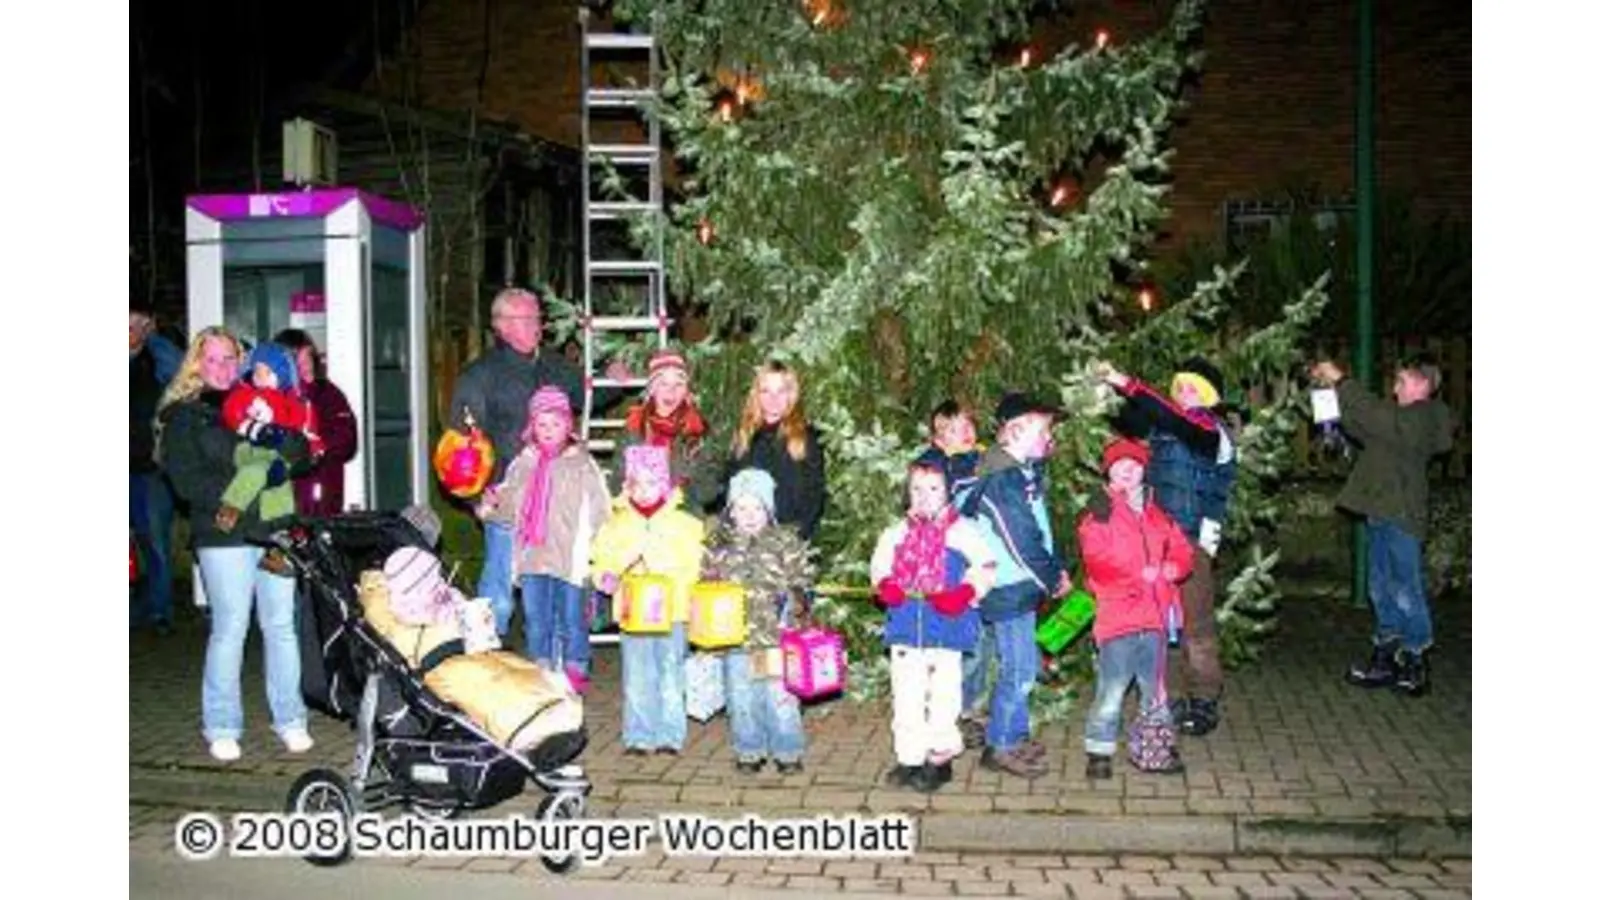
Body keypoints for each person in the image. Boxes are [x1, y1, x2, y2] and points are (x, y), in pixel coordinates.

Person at [158, 326, 316, 762]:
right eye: (212, 359)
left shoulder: (262, 398)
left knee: (281, 626)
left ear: (242, 361)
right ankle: (222, 724)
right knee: (230, 627)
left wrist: (283, 449)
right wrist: (251, 487)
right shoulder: (184, 416)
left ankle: (291, 718)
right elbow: (188, 483)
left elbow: (302, 451)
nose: (222, 367)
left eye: (230, 358)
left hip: (275, 528)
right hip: (223, 534)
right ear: (196, 363)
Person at [449, 286, 627, 636]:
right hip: (507, 501)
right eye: (528, 318)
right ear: (502, 325)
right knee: (499, 593)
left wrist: (614, 379)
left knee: (555, 587)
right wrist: (477, 496)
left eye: (537, 318)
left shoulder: (553, 365)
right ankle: (483, 656)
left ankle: (553, 659)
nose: (538, 325)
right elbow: (460, 446)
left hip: (557, 501)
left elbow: (588, 395)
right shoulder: (479, 377)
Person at [1097, 357, 1236, 737]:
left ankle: (1204, 698)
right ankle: (1167, 696)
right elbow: (1134, 421)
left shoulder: (1210, 432)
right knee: (1161, 621)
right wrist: (1108, 394)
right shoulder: (1165, 426)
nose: (1184, 391)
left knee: (1195, 622)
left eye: (1194, 387)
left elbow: (1174, 421)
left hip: (1191, 541)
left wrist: (1126, 382)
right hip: (1155, 539)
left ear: (1210, 396)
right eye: (1180, 385)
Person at [1310, 358, 1454, 696]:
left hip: (1403, 516)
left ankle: (1416, 657)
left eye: (1402, 381)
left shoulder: (1427, 417)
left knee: (1406, 589)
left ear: (1422, 384)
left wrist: (1342, 380)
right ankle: (1386, 656)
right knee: (1381, 588)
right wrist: (1327, 394)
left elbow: (1377, 416)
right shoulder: (1397, 420)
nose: (1394, 388)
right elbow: (1362, 423)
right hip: (1380, 512)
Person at [958, 392, 1071, 778]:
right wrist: (1052, 578)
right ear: (1016, 430)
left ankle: (1014, 733)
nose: (1050, 438)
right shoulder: (1002, 478)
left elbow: (1038, 529)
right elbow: (1020, 539)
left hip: (1019, 586)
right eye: (1044, 430)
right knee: (1020, 669)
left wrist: (1054, 568)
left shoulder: (1020, 472)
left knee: (1019, 665)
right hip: (1007, 589)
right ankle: (1001, 744)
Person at [870, 450, 997, 792]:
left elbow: (985, 568)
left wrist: (965, 592)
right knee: (907, 696)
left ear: (948, 492)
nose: (924, 496)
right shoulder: (896, 533)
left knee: (943, 697)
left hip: (946, 629)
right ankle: (909, 758)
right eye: (917, 489)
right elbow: (880, 566)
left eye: (933, 489)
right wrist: (885, 585)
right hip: (906, 630)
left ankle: (939, 758)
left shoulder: (963, 533)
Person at [479, 387, 611, 692]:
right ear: (532, 427)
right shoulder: (523, 463)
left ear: (568, 426)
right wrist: (492, 506)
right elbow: (509, 505)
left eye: (556, 423)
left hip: (570, 559)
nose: (549, 430)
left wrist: (600, 550)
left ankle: (575, 670)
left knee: (572, 618)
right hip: (533, 556)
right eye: (542, 424)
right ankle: (542, 669)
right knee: (537, 618)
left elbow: (600, 509)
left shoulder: (582, 465)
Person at [1077, 438, 1193, 779]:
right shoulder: (1099, 511)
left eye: (1135, 465)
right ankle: (1099, 750)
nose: (1128, 471)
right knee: (1112, 689)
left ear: (1144, 471)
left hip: (1154, 618)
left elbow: (1182, 549)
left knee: (1154, 690)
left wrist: (1174, 567)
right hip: (1118, 618)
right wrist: (1136, 574)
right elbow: (1096, 560)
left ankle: (1152, 751)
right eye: (1120, 465)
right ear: (1108, 472)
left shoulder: (1158, 514)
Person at [591, 444, 706, 755]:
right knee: (637, 675)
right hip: (634, 613)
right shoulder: (615, 525)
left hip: (674, 612)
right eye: (636, 484)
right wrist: (606, 576)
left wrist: (665, 568)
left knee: (671, 673)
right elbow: (602, 559)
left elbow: (696, 565)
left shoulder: (686, 525)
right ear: (627, 486)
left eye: (652, 483)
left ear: (665, 485)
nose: (643, 491)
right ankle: (639, 735)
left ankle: (670, 734)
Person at [702, 469, 817, 775]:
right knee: (741, 698)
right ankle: (749, 749)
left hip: (775, 638)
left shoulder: (785, 542)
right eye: (742, 508)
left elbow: (803, 580)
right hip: (736, 639)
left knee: (781, 698)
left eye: (757, 508)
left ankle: (787, 750)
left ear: (769, 510)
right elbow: (705, 586)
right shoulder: (719, 546)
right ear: (731, 511)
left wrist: (798, 601)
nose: (750, 515)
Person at [215, 343, 321, 545]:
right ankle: (231, 506)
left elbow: (303, 428)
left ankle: (277, 531)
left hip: (278, 452)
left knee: (280, 485)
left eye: (267, 372)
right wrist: (253, 428)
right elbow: (232, 412)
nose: (260, 376)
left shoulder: (293, 400)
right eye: (257, 370)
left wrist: (312, 448)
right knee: (257, 471)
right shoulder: (246, 394)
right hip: (252, 448)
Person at [724, 361, 827, 542]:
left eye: (781, 391)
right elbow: (729, 491)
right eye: (766, 391)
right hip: (744, 540)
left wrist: (795, 538)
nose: (774, 399)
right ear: (757, 394)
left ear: (791, 395)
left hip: (788, 541)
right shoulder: (744, 436)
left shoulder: (806, 438)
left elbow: (814, 496)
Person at [612, 347, 720, 515]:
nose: (671, 391)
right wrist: (630, 489)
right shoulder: (634, 427)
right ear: (652, 389)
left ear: (687, 391)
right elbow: (617, 479)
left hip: (683, 514)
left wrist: (682, 493)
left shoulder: (699, 430)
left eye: (679, 384)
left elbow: (711, 486)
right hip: (637, 515)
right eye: (663, 384)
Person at [130, 305, 181, 634]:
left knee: (155, 542)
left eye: (138, 324)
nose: (131, 330)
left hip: (151, 470)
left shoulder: (157, 361)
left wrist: (153, 339)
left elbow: (180, 371)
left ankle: (160, 610)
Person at [273, 328, 358, 518]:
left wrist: (314, 446)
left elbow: (347, 440)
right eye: (297, 361)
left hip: (322, 495)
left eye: (308, 359)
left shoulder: (328, 393)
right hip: (282, 498)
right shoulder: (273, 397)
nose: (305, 367)